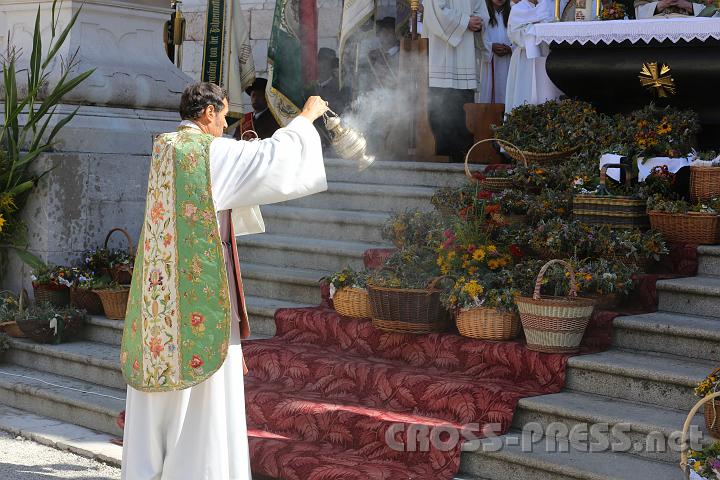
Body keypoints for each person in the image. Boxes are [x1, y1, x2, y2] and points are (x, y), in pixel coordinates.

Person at [120, 82, 329, 480]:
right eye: (224, 117)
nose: (225, 126)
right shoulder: (205, 151)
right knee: (204, 395)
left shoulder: (165, 145)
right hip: (198, 292)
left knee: (161, 395)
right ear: (208, 113)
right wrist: (304, 120)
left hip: (159, 292)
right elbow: (270, 159)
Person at [424, 0, 489, 161]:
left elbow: (482, 12)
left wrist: (479, 22)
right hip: (443, 56)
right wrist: (465, 21)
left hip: (466, 55)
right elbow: (435, 12)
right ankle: (444, 158)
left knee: (464, 112)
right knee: (443, 111)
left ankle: (463, 157)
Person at [504, 0, 563, 114]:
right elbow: (515, 34)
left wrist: (535, 27)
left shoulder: (550, 6)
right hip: (525, 59)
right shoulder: (518, 9)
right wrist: (538, 29)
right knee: (524, 93)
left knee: (547, 95)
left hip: (546, 56)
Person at [478, 0, 512, 104]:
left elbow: (521, 36)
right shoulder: (481, 14)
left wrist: (511, 48)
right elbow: (477, 38)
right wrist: (490, 46)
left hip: (509, 62)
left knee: (509, 92)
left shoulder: (514, 12)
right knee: (487, 94)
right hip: (488, 63)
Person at [368, 17, 402, 89]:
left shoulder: (404, 55)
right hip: (374, 94)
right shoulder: (372, 55)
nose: (384, 34)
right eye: (382, 31)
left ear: (397, 34)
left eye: (389, 31)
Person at [316, 47, 351, 114]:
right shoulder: (311, 87)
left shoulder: (339, 89)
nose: (323, 66)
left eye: (327, 63)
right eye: (320, 61)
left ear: (332, 67)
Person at [635, 0, 706, 17]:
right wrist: (662, 4)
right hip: (658, 28)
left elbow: (713, 12)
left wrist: (689, 5)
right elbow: (640, 14)